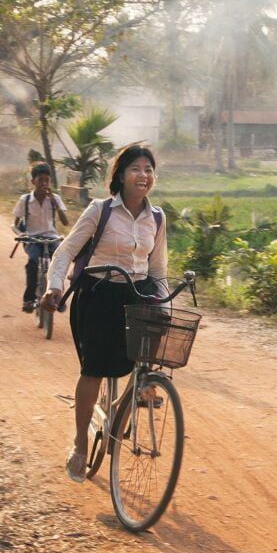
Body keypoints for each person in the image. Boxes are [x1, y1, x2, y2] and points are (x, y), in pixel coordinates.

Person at [41, 144, 168, 483]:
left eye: (148, 169)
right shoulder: (101, 211)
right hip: (97, 294)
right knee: (95, 369)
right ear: (121, 176)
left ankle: (125, 405)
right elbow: (65, 251)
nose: (143, 175)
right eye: (136, 169)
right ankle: (81, 442)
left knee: (146, 361)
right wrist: (53, 286)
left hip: (135, 295)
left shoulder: (157, 218)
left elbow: (157, 269)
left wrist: (165, 305)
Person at [13, 163, 69, 313]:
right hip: (32, 239)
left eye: (47, 180)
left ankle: (59, 298)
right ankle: (29, 299)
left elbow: (65, 222)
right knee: (32, 262)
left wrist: (55, 202)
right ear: (33, 182)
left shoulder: (54, 198)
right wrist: (21, 235)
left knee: (59, 263)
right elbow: (15, 225)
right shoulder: (25, 200)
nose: (44, 184)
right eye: (41, 180)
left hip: (51, 237)